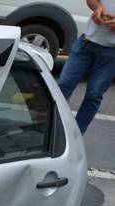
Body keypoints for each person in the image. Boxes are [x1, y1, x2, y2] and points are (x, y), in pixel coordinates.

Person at [57, 0, 115, 134]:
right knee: (63, 86)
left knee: (94, 95)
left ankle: (76, 135)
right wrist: (98, 8)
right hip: (86, 43)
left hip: (111, 52)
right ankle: (51, 128)